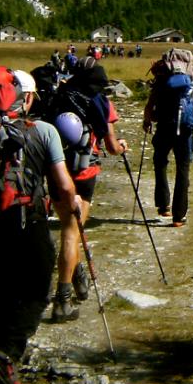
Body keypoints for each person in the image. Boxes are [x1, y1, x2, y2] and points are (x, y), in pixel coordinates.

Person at [0, 69, 80, 384]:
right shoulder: (44, 131)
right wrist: (73, 202)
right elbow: (63, 185)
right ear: (27, 98)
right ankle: (6, 357)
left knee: (4, 293)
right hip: (28, 217)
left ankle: (2, 370)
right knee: (36, 289)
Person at [49, 58, 128, 322]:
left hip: (56, 170)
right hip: (84, 173)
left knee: (69, 227)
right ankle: (63, 299)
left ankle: (78, 275)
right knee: (72, 232)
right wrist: (122, 147)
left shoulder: (59, 95)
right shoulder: (99, 101)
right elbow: (112, 146)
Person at [142, 49, 193, 227]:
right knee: (183, 169)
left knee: (160, 162)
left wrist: (147, 122)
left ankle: (164, 205)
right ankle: (179, 217)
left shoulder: (161, 80)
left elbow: (149, 106)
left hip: (164, 126)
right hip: (186, 130)